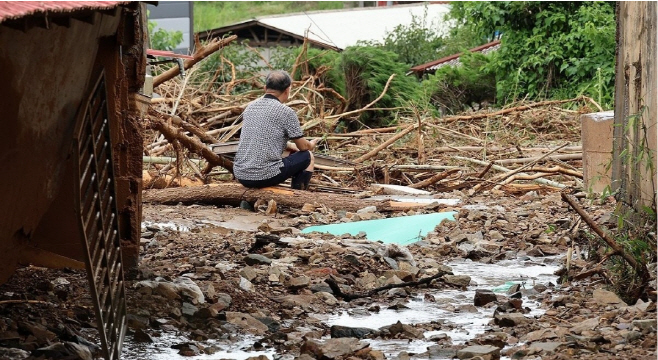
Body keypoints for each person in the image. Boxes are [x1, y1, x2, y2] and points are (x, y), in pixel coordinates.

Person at [233, 70, 318, 190]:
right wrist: (311, 145)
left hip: (241, 174)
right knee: (307, 156)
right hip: (264, 175)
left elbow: (264, 138)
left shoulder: (250, 107)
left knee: (285, 153)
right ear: (288, 90)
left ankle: (251, 200)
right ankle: (297, 197)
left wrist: (290, 146)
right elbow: (303, 147)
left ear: (265, 88)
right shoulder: (286, 112)